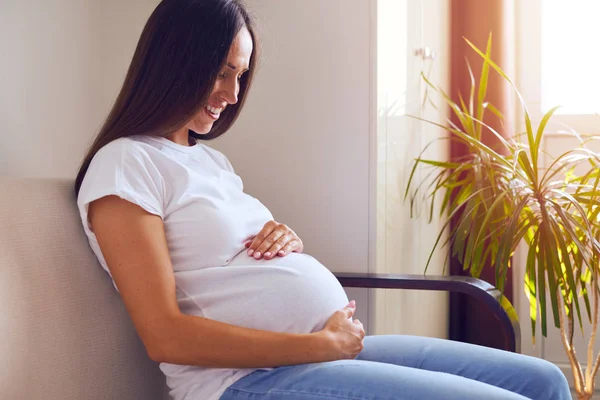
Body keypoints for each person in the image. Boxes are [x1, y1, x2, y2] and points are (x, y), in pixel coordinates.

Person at [74, 1, 571, 399]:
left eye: (241, 75)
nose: (232, 92)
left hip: (323, 353)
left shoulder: (208, 161)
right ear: (176, 63)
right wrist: (319, 344)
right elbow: (165, 334)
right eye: (221, 72)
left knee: (544, 382)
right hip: (243, 382)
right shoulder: (126, 163)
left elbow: (223, 259)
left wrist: (282, 238)